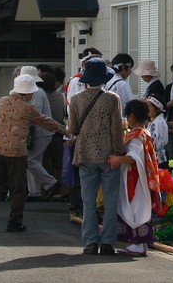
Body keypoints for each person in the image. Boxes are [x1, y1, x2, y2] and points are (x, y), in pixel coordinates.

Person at [0, 74, 68, 233]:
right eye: (32, 92)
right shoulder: (28, 109)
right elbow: (46, 122)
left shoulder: (2, 101)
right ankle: (15, 222)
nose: (33, 94)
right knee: (18, 188)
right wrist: (66, 130)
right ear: (26, 93)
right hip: (16, 153)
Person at [69, 57, 123, 256]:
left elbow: (73, 128)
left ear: (86, 79)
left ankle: (90, 243)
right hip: (109, 153)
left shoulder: (75, 99)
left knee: (88, 201)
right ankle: (108, 242)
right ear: (104, 79)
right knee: (110, 201)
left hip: (85, 153)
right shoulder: (112, 98)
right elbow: (117, 129)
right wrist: (118, 151)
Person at [108, 99, 161, 257]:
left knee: (134, 208)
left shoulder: (137, 136)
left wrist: (117, 160)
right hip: (140, 176)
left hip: (135, 178)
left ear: (131, 116)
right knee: (140, 207)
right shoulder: (145, 133)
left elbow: (133, 157)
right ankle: (141, 243)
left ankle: (138, 244)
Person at [20, 65, 60, 200]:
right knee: (34, 161)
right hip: (43, 131)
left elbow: (34, 113)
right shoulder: (39, 90)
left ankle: (50, 182)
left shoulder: (36, 92)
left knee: (30, 160)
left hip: (40, 132)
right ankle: (34, 192)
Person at [39, 72, 67, 196]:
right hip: (58, 133)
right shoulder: (60, 97)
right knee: (59, 163)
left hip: (43, 133)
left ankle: (46, 189)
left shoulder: (39, 96)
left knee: (43, 162)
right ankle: (63, 190)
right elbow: (63, 114)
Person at [146, 95, 169, 167]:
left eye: (149, 106)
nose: (147, 109)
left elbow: (154, 142)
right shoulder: (152, 122)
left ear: (157, 108)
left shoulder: (159, 123)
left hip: (158, 159)